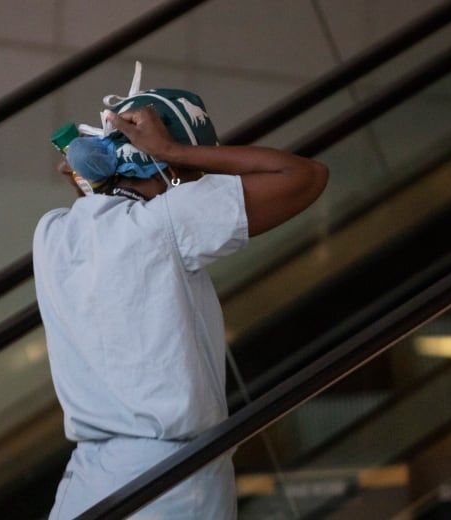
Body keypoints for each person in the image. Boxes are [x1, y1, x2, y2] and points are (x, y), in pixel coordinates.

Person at [33, 64, 328, 519]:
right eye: (196, 171)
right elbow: (304, 175)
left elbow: (106, 233)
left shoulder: (51, 233)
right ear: (175, 166)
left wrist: (103, 178)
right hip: (170, 482)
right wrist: (174, 152)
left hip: (87, 481)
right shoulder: (166, 223)